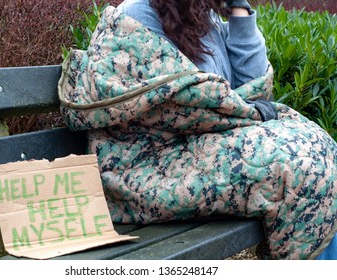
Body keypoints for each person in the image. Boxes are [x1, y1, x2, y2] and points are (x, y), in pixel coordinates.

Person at [58, 0, 337, 260]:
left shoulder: (206, 18)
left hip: (194, 150)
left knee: (321, 150)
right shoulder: (136, 16)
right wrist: (245, 109)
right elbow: (188, 107)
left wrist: (240, 11)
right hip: (143, 168)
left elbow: (253, 91)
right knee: (300, 167)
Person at [117, 0, 268, 89]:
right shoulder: (138, 15)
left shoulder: (203, 12)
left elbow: (254, 85)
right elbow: (200, 100)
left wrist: (239, 9)